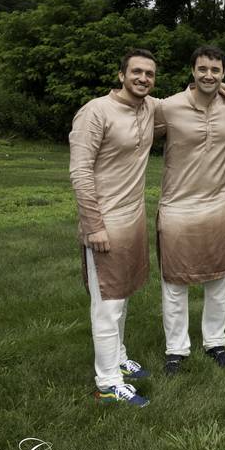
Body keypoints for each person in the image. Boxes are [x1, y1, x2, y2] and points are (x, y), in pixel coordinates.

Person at [69, 48, 158, 407]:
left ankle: (119, 358)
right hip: (104, 223)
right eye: (136, 72)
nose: (143, 78)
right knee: (107, 303)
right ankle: (107, 382)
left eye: (149, 74)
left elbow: (193, 100)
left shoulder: (150, 108)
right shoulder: (95, 112)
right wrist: (94, 226)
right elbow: (80, 171)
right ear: (121, 75)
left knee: (123, 295)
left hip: (133, 219)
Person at [154, 45, 225, 375]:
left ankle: (215, 341)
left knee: (218, 278)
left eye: (216, 70)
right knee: (175, 281)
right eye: (203, 69)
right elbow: (135, 131)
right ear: (192, 71)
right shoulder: (167, 107)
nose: (209, 75)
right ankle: (175, 348)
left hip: (217, 204)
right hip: (176, 205)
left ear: (224, 74)